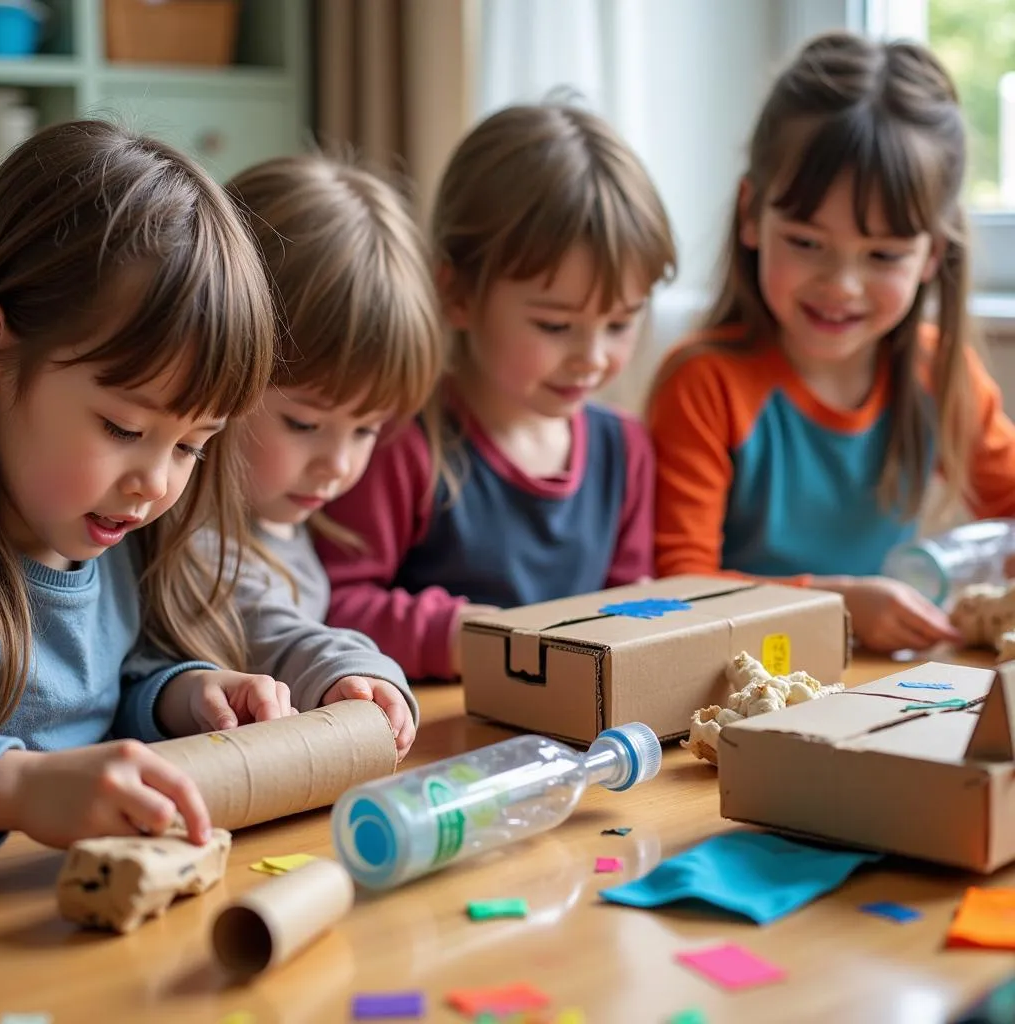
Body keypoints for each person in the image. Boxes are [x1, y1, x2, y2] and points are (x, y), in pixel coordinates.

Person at [648, 32, 1015, 654]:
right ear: (751, 216)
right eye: (807, 243)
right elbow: (677, 589)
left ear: (933, 254)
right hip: (732, 683)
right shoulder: (704, 383)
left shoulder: (938, 373)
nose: (841, 285)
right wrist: (837, 603)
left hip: (877, 680)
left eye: (883, 255)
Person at [0, 120, 283, 850]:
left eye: (191, 445)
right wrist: (19, 788)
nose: (155, 484)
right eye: (123, 429)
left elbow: (107, 699)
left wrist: (184, 695)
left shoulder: (109, 546)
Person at [315, 102, 677, 680]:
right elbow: (334, 605)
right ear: (457, 294)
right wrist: (466, 638)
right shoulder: (398, 441)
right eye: (555, 326)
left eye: (619, 323)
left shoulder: (624, 450)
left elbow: (628, 606)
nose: (592, 357)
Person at [220, 154, 445, 755]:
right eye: (305, 422)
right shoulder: (191, 529)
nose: (338, 464)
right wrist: (347, 665)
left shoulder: (283, 520)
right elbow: (253, 620)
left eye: (366, 430)